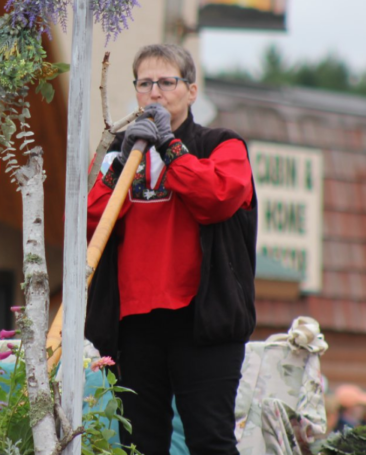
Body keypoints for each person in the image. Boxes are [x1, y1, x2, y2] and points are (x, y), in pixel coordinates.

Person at [84, 43, 257, 455]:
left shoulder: (222, 144)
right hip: (134, 323)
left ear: (191, 91)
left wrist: (170, 146)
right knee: (138, 445)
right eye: (145, 83)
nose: (155, 93)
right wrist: (122, 161)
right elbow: (88, 224)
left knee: (209, 440)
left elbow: (216, 199)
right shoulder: (119, 150)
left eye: (167, 82)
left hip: (203, 318)